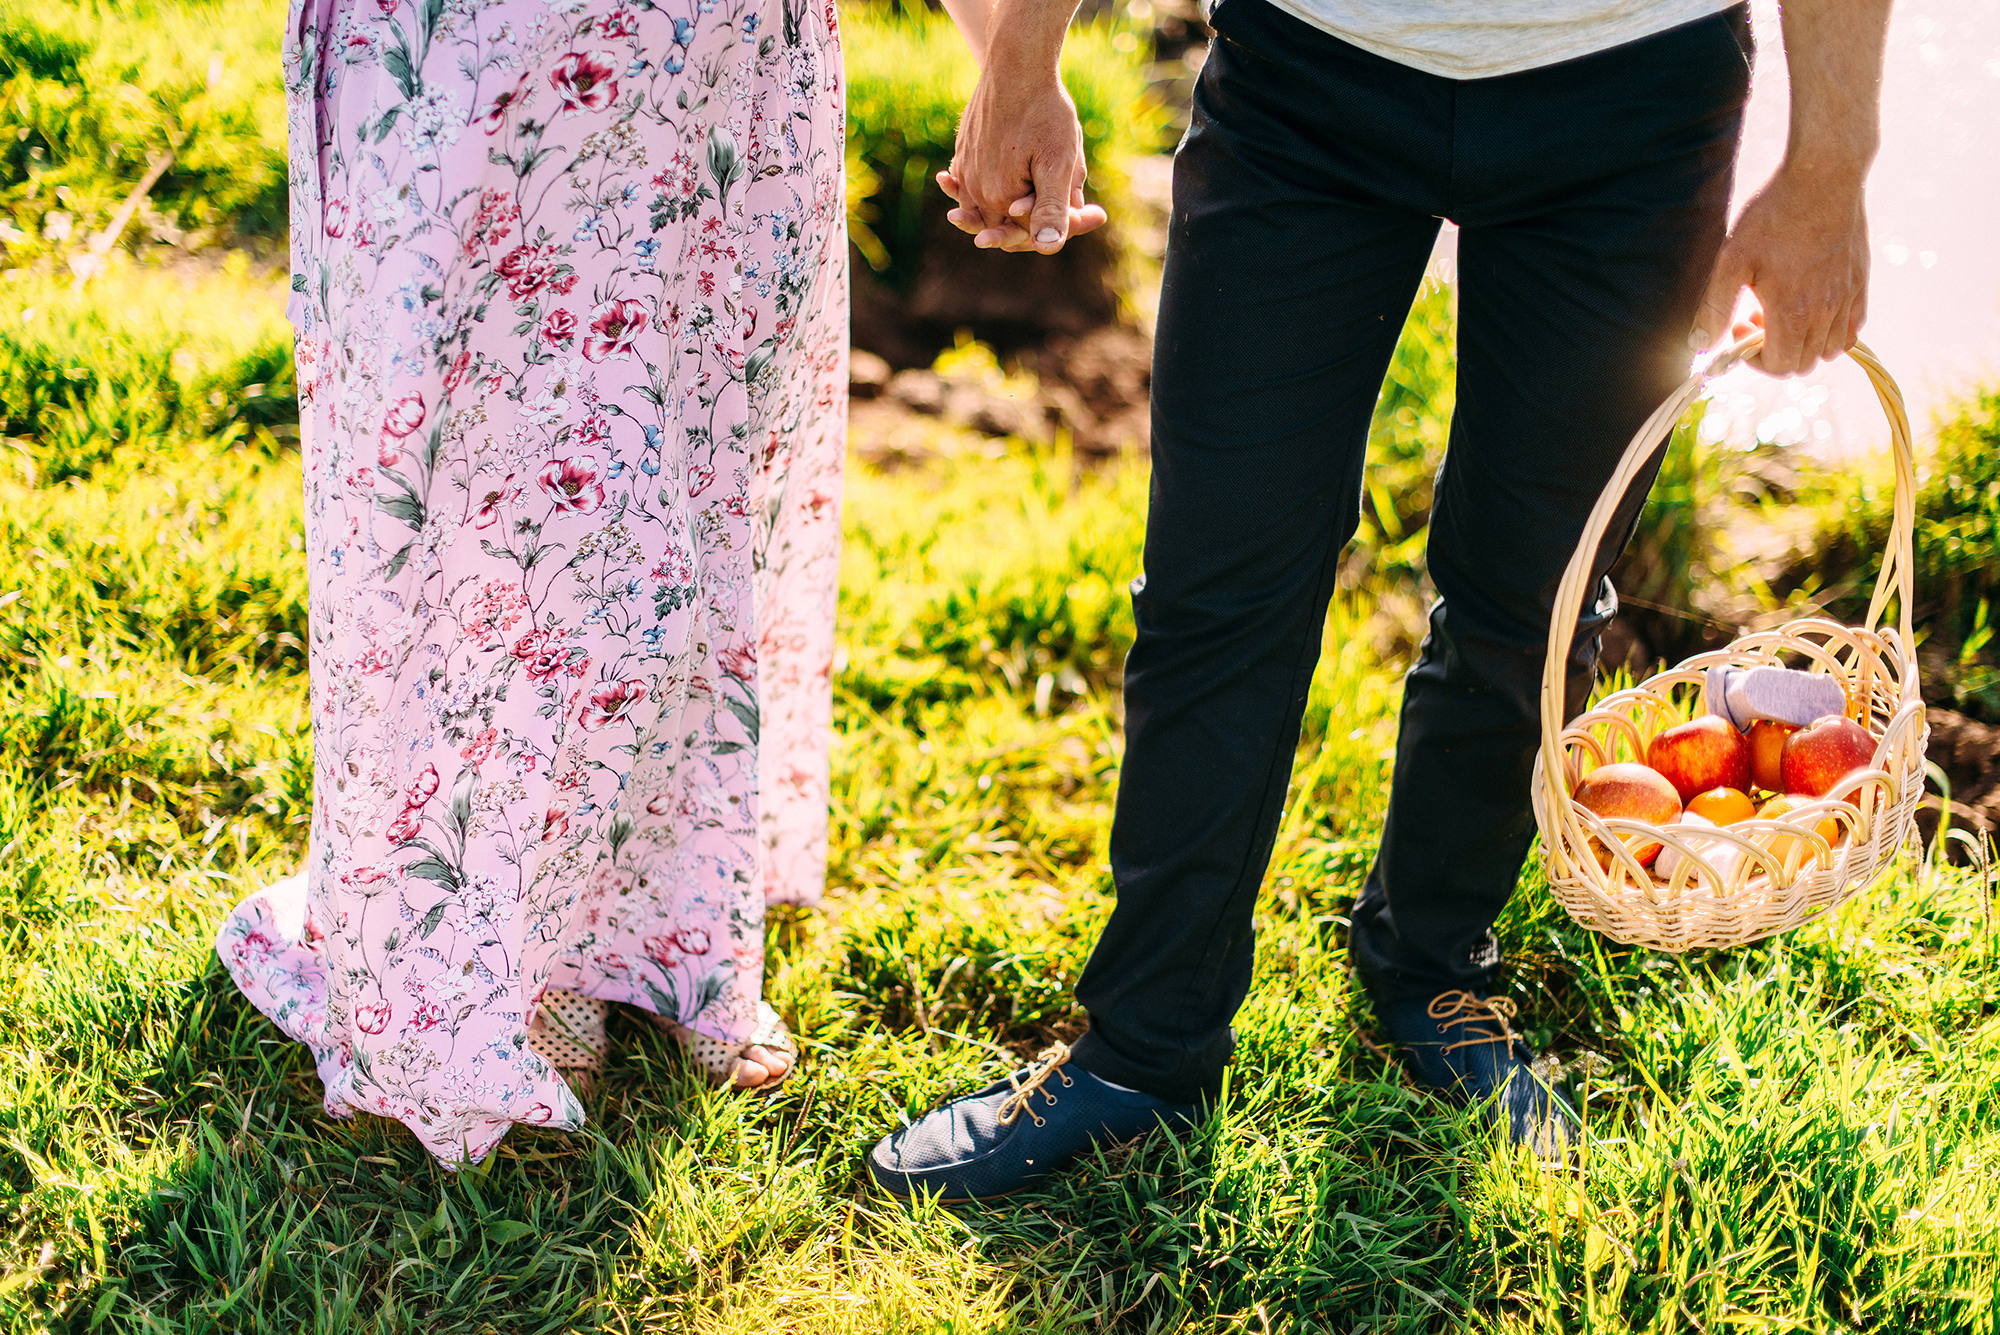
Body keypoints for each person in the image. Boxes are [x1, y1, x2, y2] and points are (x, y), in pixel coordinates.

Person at [869, 0, 1890, 1200]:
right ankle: (1143, 1046)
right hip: (1305, 75)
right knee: (1218, 583)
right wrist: (1025, 57)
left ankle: (1432, 966)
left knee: (1539, 597)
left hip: (1632, 97)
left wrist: (1827, 164)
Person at [215, 0, 848, 1168]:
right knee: (482, 495)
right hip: (474, 47)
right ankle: (525, 946)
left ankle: (666, 919)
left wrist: (1011, 57)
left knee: (699, 454)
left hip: (720, 45)